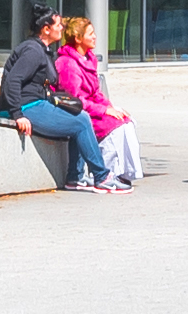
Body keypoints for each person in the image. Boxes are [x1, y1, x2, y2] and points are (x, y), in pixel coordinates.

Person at [1, 13, 105, 189]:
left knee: (76, 116)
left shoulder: (42, 49)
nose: (61, 29)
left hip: (36, 103)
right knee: (82, 121)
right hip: (27, 106)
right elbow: (12, 80)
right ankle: (102, 177)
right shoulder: (33, 51)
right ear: (46, 29)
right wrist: (17, 114)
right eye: (57, 25)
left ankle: (75, 177)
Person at [54, 17, 137, 191]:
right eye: (90, 33)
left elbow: (96, 92)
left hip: (91, 107)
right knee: (114, 126)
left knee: (125, 121)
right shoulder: (68, 64)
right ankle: (107, 173)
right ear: (78, 38)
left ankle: (122, 172)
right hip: (78, 110)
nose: (95, 37)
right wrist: (103, 110)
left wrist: (111, 108)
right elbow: (74, 100)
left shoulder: (88, 59)